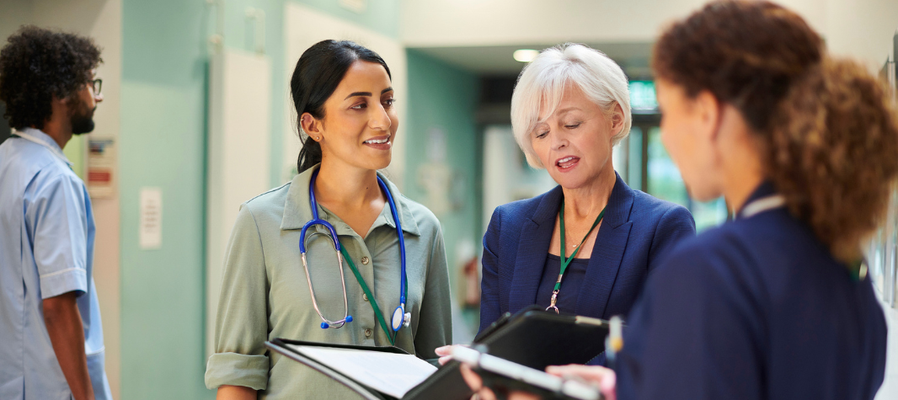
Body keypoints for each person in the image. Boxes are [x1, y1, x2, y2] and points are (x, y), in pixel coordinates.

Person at [463, 1, 897, 399]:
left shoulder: (714, 268)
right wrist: (624, 387)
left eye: (670, 112)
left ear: (707, 114)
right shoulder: (845, 263)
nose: (667, 136)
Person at [205, 39, 452, 399]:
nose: (383, 121)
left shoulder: (423, 228)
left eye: (387, 101)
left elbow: (434, 367)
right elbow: (238, 374)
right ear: (313, 125)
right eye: (359, 105)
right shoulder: (260, 223)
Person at [438, 43, 695, 365]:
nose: (557, 142)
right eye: (541, 132)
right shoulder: (509, 225)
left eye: (571, 124)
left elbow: (663, 345)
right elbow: (491, 341)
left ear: (614, 120)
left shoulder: (662, 227)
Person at [0, 26, 112, 400]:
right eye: (89, 83)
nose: (96, 96)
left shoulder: (6, 161)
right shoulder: (55, 181)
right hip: (49, 385)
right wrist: (85, 396)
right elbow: (59, 307)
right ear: (61, 92)